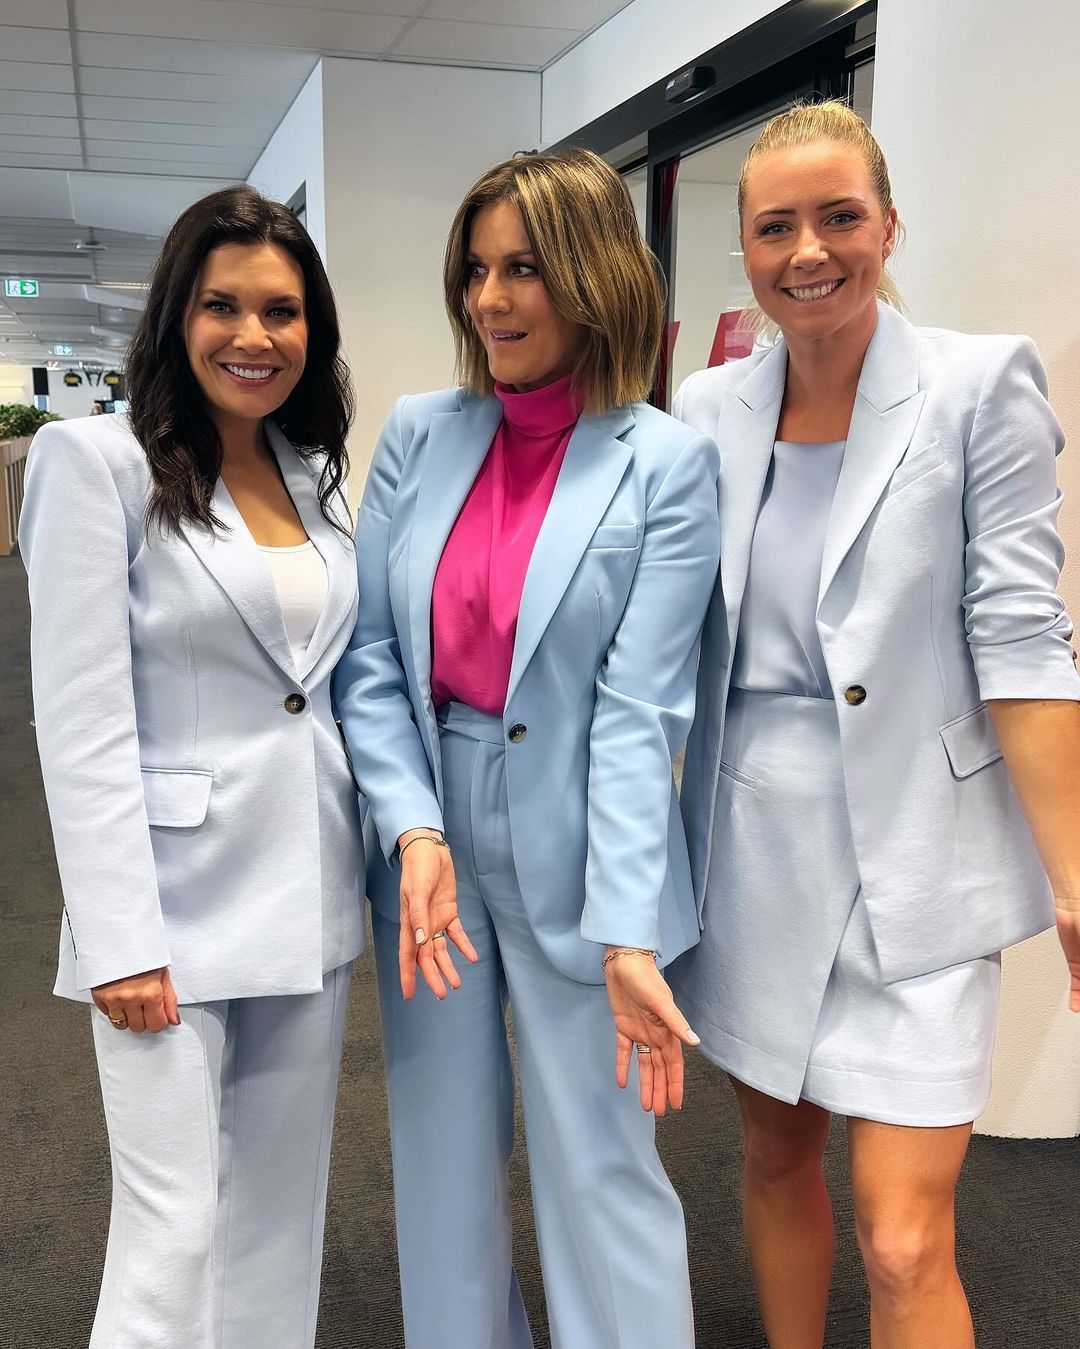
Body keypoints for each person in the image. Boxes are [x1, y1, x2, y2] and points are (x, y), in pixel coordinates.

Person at [672, 99, 1080, 1349]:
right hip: (755, 845)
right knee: (776, 1155)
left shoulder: (978, 383)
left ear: (889, 225)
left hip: (921, 849)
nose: (808, 250)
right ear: (745, 245)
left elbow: (1024, 636)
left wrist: (1073, 871)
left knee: (904, 1236)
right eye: (775, 226)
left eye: (839, 217)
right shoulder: (707, 408)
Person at [334, 147, 720, 1349]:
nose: (489, 300)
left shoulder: (665, 460)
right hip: (429, 826)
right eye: (476, 270)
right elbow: (371, 657)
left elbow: (641, 711)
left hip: (584, 828)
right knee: (441, 1149)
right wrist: (412, 827)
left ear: (594, 277)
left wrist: (628, 929)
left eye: (524, 270)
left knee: (602, 1161)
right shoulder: (418, 433)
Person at [19, 185, 365, 1349]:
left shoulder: (311, 471)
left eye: (282, 310)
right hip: (170, 908)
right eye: (223, 305)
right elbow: (79, 718)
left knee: (277, 1217)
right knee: (173, 1230)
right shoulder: (93, 461)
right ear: (176, 313)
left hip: (306, 893)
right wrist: (118, 937)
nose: (253, 335)